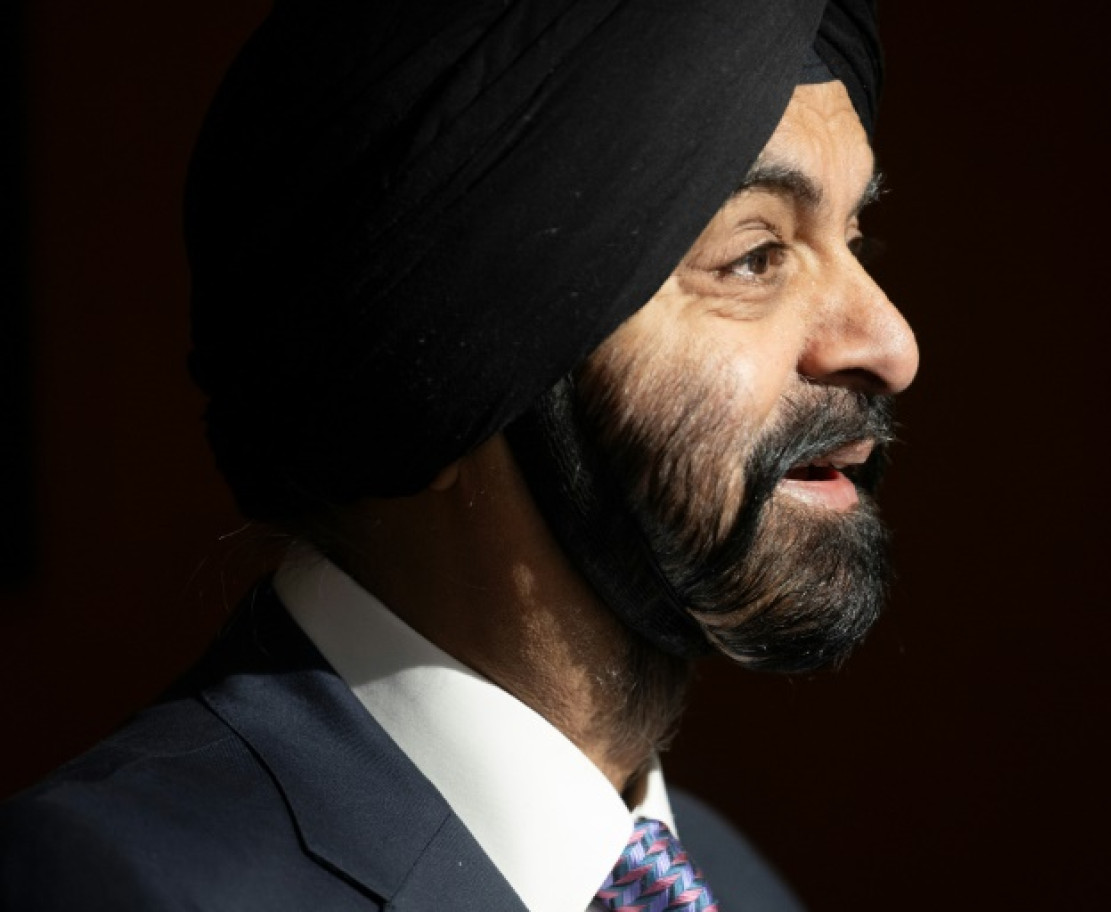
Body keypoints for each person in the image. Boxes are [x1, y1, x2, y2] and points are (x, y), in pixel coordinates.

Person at [0, 1, 916, 909]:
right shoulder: (115, 886)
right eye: (754, 257)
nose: (891, 343)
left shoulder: (738, 884)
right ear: (440, 373)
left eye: (856, 241)